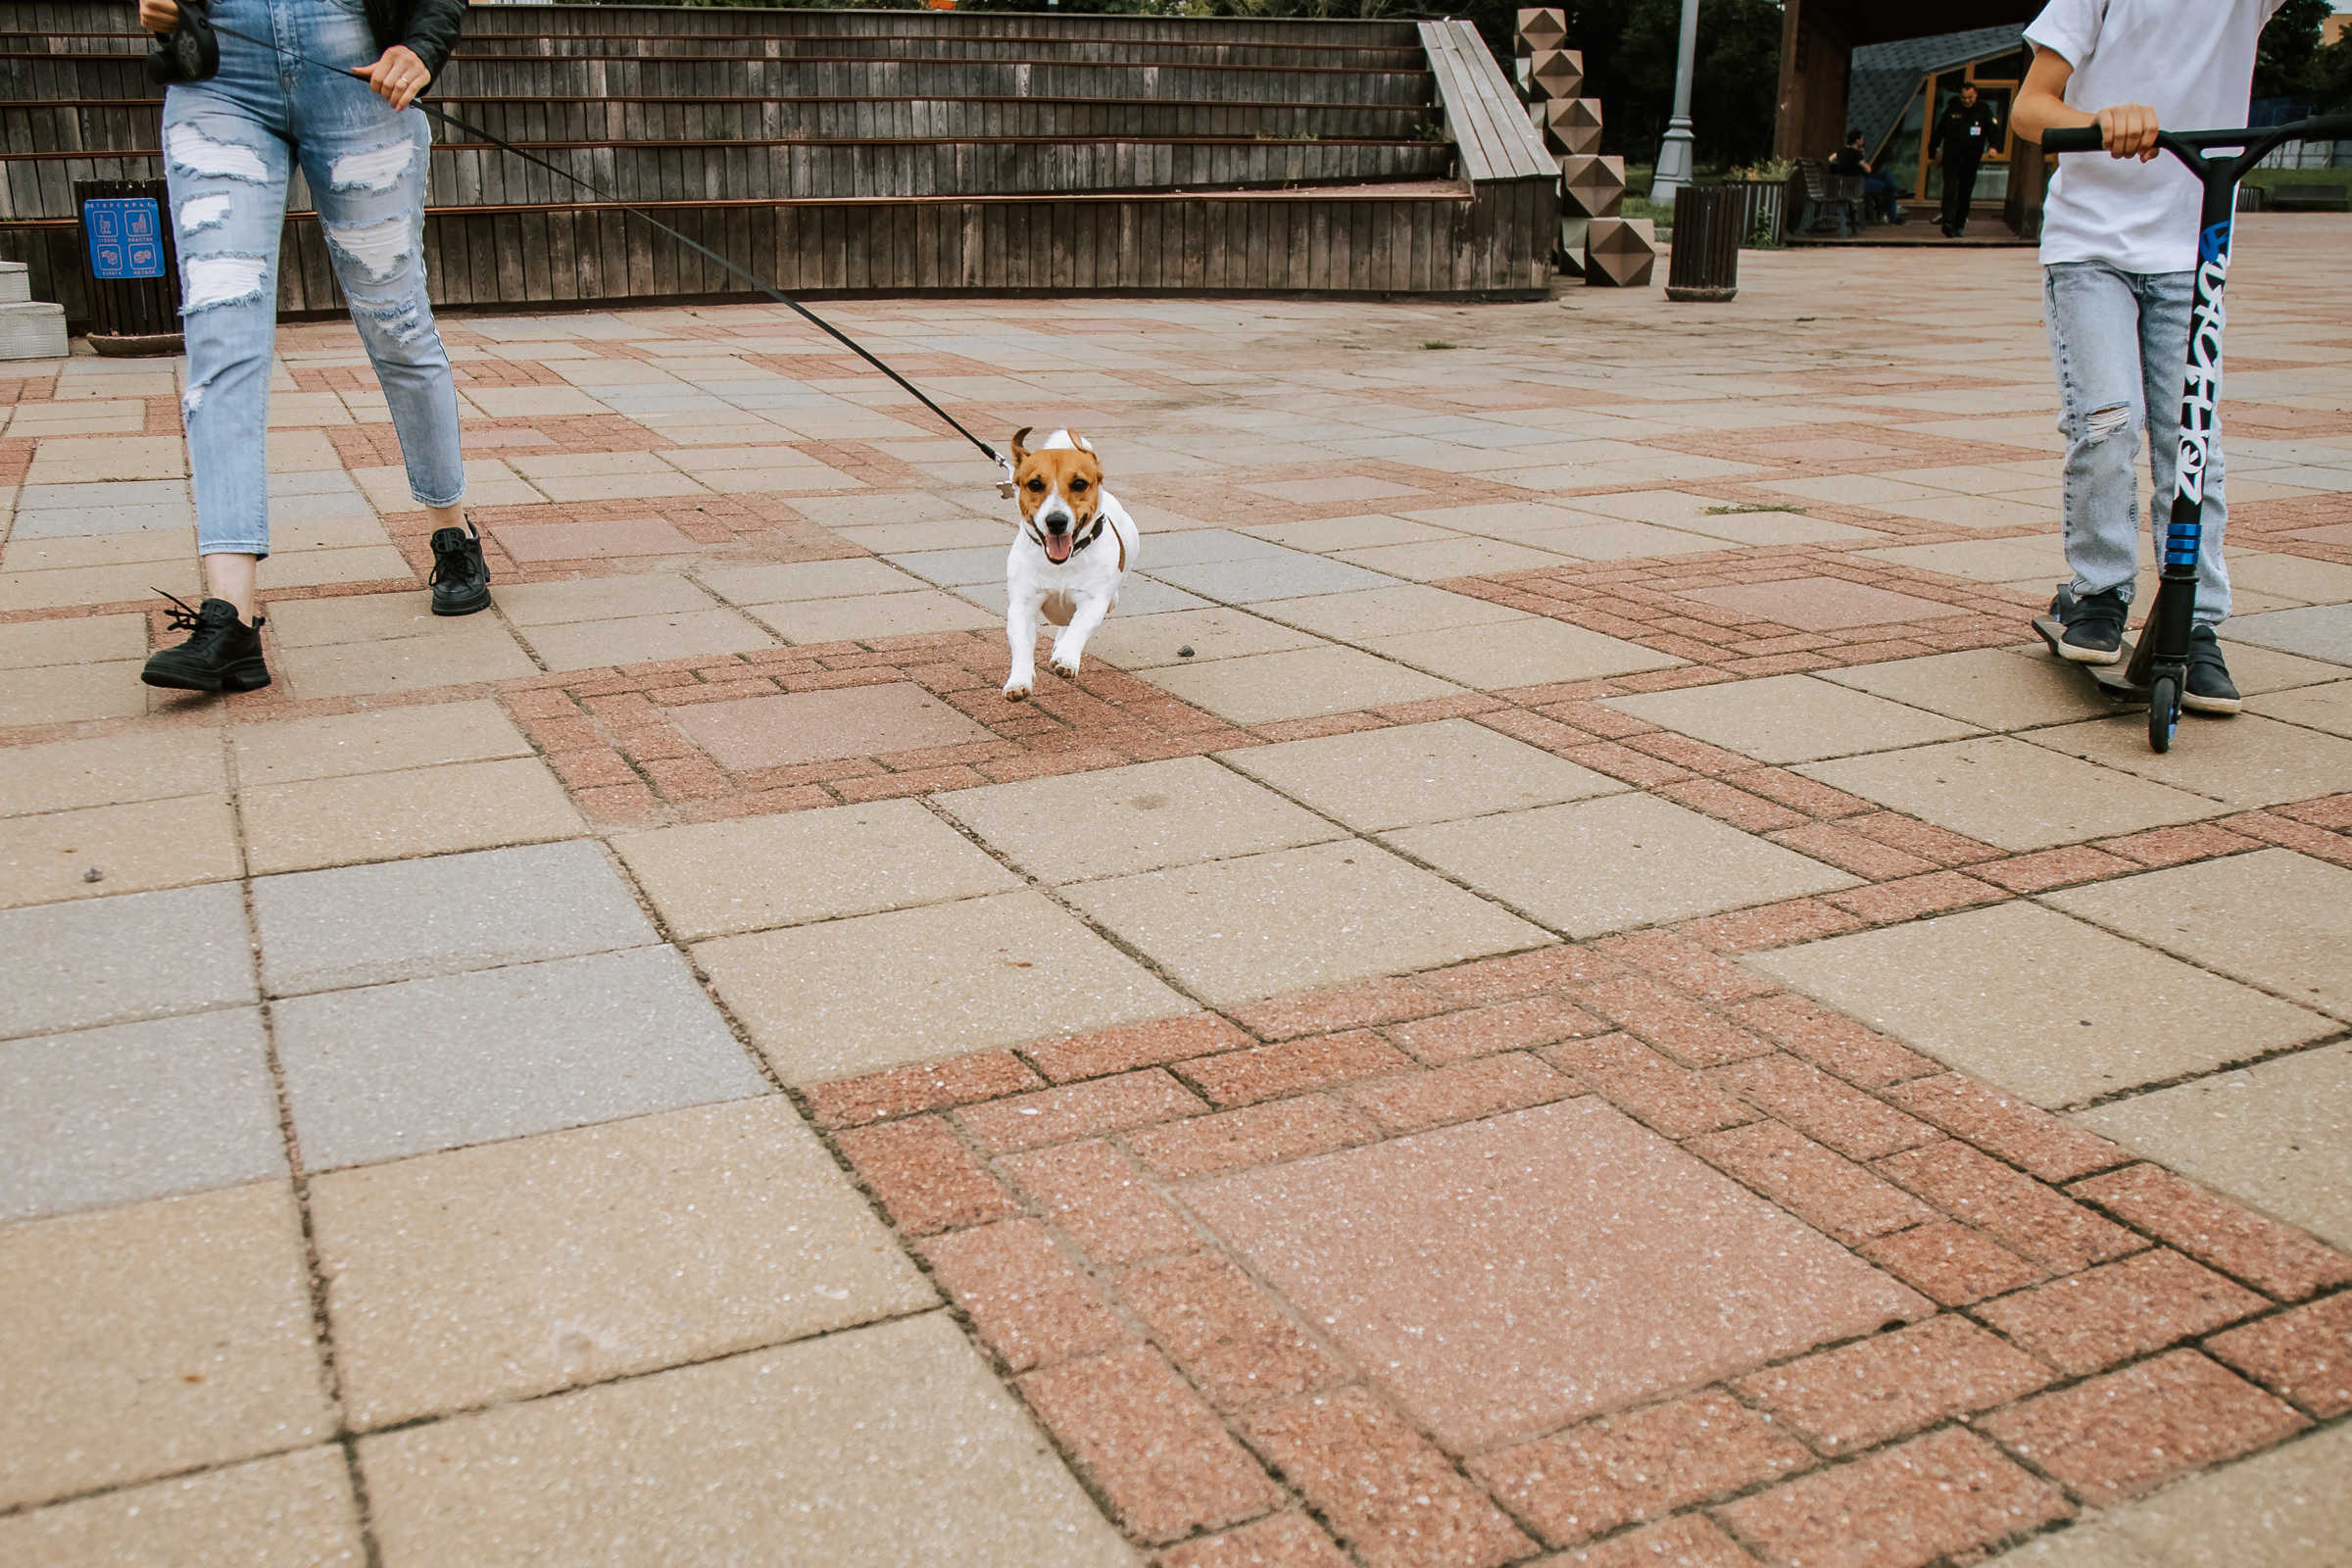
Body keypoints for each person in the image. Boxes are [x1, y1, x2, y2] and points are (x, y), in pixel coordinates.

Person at [136, 0, 486, 695]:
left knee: (397, 323)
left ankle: (453, 534)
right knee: (221, 328)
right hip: (219, 74)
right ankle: (229, 617)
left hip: (355, 64)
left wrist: (425, 43)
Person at [2014, 0, 2286, 713]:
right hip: (2091, 246)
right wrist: (2097, 122)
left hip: (2191, 246)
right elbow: (2029, 109)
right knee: (2109, 419)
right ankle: (2098, 593)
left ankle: (2191, 623)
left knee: (2191, 438)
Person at [1930, 82, 2001, 236]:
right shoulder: (1952, 109)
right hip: (1952, 157)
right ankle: (1948, 222)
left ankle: (1959, 225)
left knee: (1965, 193)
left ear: (1975, 95)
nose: (1967, 101)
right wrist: (1932, 152)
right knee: (1949, 189)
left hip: (1971, 159)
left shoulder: (1983, 110)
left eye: (1970, 98)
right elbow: (1938, 132)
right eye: (1964, 98)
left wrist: (1994, 147)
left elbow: (1993, 131)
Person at [1830, 129, 1904, 224]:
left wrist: (1837, 164)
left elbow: (1830, 159)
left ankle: (1895, 190)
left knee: (1884, 174)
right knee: (1888, 188)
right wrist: (1863, 158)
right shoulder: (1856, 154)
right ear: (1857, 141)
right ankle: (1893, 217)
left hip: (1851, 183)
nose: (1863, 141)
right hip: (1860, 184)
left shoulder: (1841, 152)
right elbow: (1868, 169)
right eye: (1862, 139)